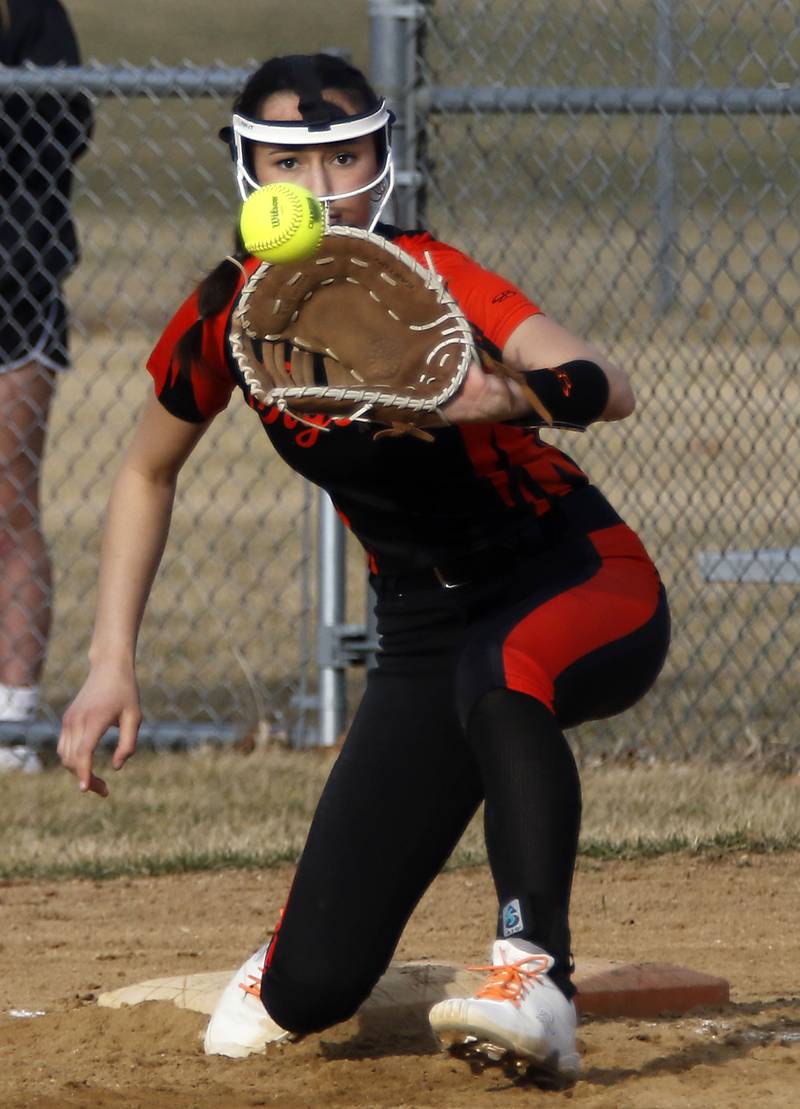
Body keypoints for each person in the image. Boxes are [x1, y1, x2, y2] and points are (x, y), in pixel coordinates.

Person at [57, 53, 670, 1085]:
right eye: (290, 162)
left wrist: (510, 396)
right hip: (421, 635)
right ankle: (294, 965)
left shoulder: (426, 277)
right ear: (248, 173)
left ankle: (535, 978)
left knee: (501, 665)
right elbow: (142, 472)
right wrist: (111, 657)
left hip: (574, 575)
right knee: (308, 991)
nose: (322, 185)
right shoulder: (226, 315)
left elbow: (608, 384)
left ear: (382, 161)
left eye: (346, 155)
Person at [0, 0, 93, 770]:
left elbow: (66, 122)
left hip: (13, 285)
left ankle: (12, 722)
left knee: (8, 503)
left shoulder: (30, 13)